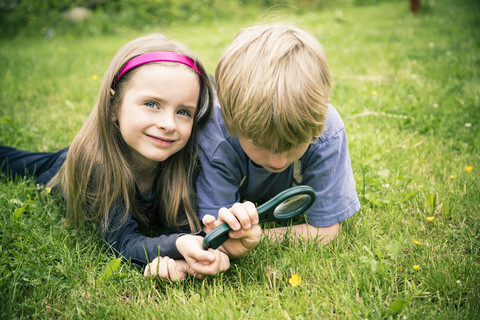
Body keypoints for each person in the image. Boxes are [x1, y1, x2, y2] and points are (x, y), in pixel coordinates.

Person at [0, 33, 261, 281]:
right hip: (65, 165)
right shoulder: (94, 166)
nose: (168, 124)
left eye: (183, 111)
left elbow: (191, 226)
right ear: (114, 106)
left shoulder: (188, 156)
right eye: (151, 104)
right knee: (16, 163)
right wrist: (178, 245)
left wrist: (205, 252)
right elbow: (123, 243)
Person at [197, 24, 360, 245]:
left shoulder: (326, 130)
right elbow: (217, 232)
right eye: (259, 143)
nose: (277, 161)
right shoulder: (214, 133)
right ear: (231, 119)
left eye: (293, 144)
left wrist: (255, 238)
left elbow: (326, 231)